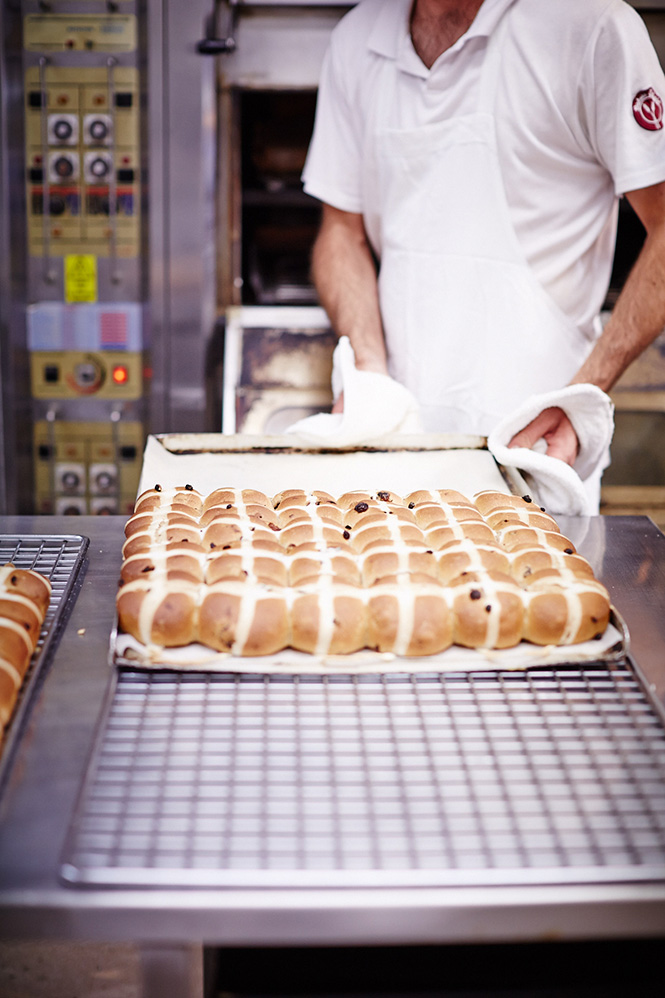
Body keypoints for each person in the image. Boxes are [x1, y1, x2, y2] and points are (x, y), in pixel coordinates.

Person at [301, 0, 665, 480]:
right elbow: (340, 230)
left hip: (537, 454)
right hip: (393, 452)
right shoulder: (357, 39)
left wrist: (583, 396)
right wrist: (369, 370)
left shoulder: (591, 27)